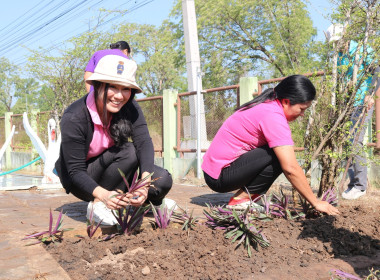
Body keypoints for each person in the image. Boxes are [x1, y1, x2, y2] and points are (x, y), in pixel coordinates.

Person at [55, 54, 175, 225]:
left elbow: (143, 141)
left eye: (126, 89)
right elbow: (74, 171)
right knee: (129, 151)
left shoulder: (129, 107)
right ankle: (98, 205)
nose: (119, 96)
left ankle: (142, 204)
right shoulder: (74, 117)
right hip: (83, 179)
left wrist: (144, 181)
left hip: (117, 167)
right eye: (112, 87)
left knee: (162, 179)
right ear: (97, 86)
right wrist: (104, 195)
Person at [201, 75, 340, 215]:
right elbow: (291, 168)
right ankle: (241, 201)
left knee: (279, 152)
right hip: (220, 176)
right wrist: (315, 202)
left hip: (217, 172)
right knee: (280, 155)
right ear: (286, 102)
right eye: (301, 109)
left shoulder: (267, 106)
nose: (303, 114)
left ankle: (248, 198)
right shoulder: (273, 116)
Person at [326, 24, 375, 199]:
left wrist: (369, 95)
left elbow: (377, 71)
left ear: (344, 37)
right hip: (347, 105)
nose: (336, 45)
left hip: (362, 102)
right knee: (347, 142)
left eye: (338, 41)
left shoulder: (362, 50)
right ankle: (353, 183)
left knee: (356, 141)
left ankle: (360, 185)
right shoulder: (339, 57)